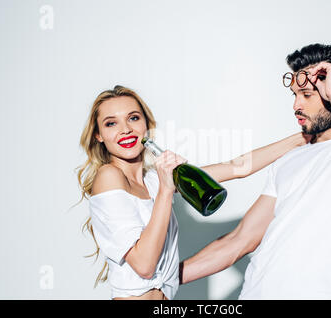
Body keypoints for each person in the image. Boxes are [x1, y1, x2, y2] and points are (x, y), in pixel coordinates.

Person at [180, 43, 331, 299]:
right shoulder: (290, 158)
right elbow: (240, 240)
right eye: (294, 95)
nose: (296, 106)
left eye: (307, 95)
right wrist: (166, 279)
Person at [76, 85, 310, 300]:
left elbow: (236, 167)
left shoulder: (154, 180)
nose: (125, 129)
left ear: (146, 125)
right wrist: (167, 191)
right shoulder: (110, 176)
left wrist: (301, 139)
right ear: (98, 135)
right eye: (111, 123)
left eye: (133, 118)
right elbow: (144, 265)